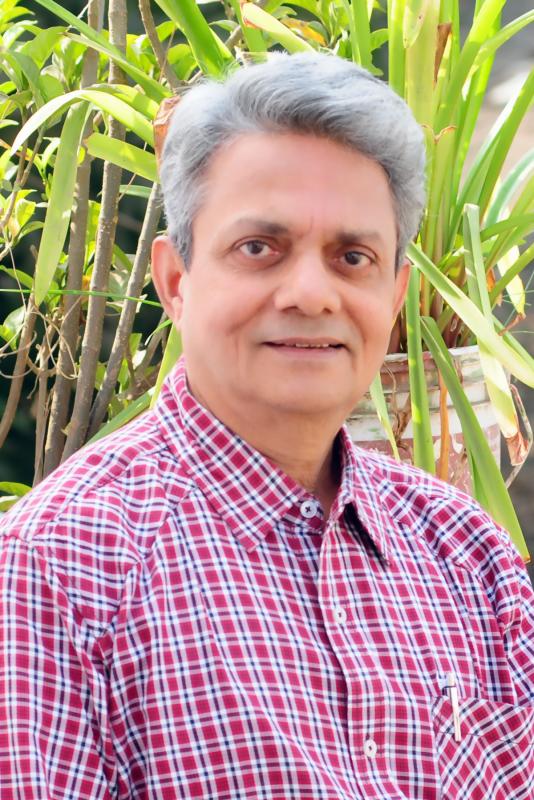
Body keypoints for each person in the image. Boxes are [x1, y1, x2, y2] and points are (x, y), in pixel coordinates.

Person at [0, 52, 532, 800]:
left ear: (395, 295)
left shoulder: (471, 559)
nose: (312, 293)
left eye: (353, 257)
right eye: (259, 249)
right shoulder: (60, 569)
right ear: (176, 281)